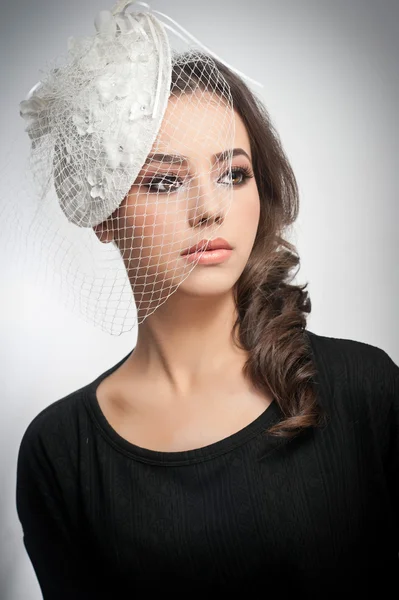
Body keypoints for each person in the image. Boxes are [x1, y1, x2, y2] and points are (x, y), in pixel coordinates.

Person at [15, 2, 398, 598]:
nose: (209, 208)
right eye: (166, 181)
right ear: (104, 214)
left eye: (233, 173)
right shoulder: (60, 452)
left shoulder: (365, 389)